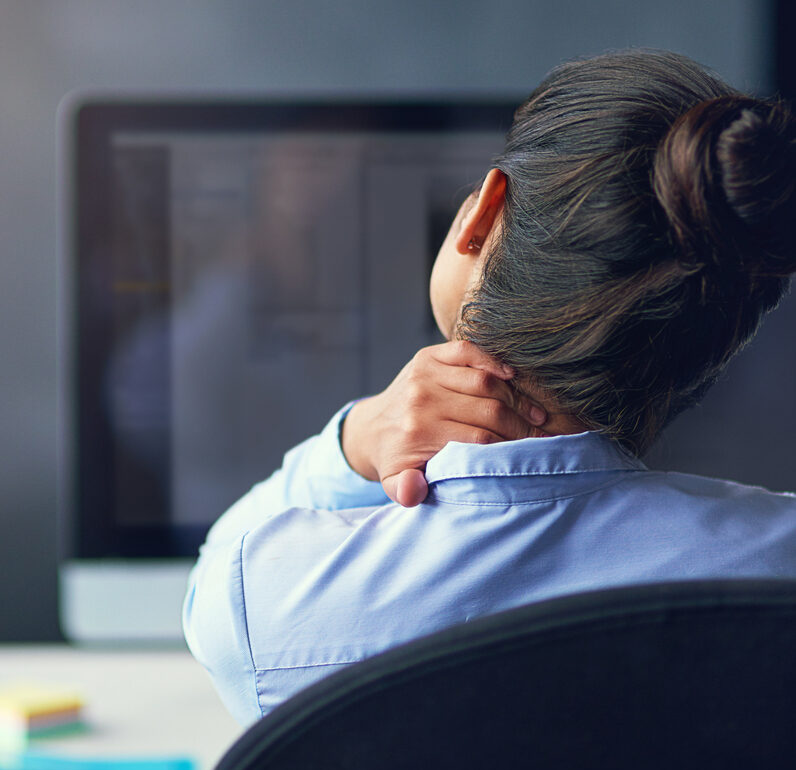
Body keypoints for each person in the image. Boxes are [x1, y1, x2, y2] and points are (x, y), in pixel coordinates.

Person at [184, 49, 796, 728]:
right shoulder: (780, 561)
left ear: (484, 211)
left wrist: (353, 441)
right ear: (721, 344)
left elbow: (218, 567)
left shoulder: (266, 605)